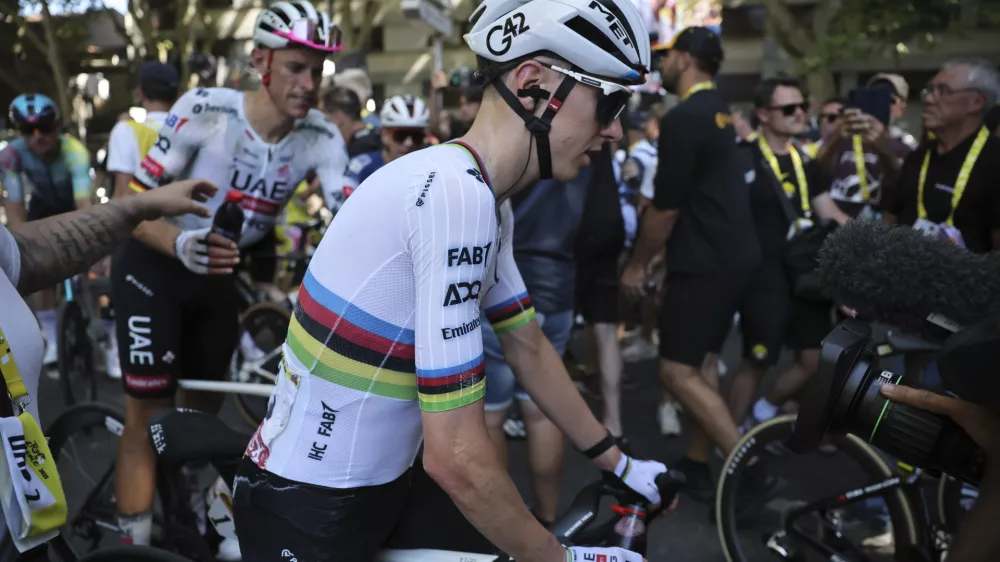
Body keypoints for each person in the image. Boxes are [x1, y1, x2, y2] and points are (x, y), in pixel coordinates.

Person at [232, 1, 668, 561]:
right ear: (533, 84)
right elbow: (456, 453)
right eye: (609, 102)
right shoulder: (454, 197)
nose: (614, 130)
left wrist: (622, 464)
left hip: (382, 487)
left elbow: (526, 344)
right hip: (313, 508)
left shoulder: (480, 194)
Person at [109, 0, 347, 548]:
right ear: (260, 60)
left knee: (201, 417)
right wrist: (179, 241)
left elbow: (354, 210)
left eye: (318, 69)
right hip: (153, 268)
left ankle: (197, 508)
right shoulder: (205, 110)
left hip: (217, 277)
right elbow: (129, 205)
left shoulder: (321, 136)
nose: (310, 83)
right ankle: (132, 546)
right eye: (296, 67)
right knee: (147, 412)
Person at [0, 178, 218, 552]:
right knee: (146, 416)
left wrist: (134, 207)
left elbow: (27, 251)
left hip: (22, 524)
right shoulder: (20, 159)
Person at [620, 26, 763, 501]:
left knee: (675, 371)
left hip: (706, 263)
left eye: (667, 56)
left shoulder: (685, 117)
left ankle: (750, 468)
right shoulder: (724, 113)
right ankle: (700, 463)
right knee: (702, 364)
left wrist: (639, 264)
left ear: (684, 60)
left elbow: (665, 207)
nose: (661, 64)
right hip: (735, 258)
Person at [725, 77, 850, 431]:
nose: (800, 114)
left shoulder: (808, 163)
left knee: (813, 361)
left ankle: (763, 412)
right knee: (756, 361)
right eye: (789, 108)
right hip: (763, 280)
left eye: (803, 106)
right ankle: (729, 442)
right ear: (763, 114)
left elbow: (830, 213)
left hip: (805, 279)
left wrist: (874, 240)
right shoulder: (740, 158)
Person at [102, 62, 182, 380]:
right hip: (182, 241)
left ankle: (116, 352)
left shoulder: (127, 131)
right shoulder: (191, 129)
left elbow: (123, 197)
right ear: (177, 93)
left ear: (140, 92)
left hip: (142, 245)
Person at [0, 93, 93, 366]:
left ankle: (108, 333)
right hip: (41, 206)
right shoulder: (12, 154)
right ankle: (52, 338)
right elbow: (15, 209)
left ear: (57, 127)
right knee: (38, 269)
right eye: (29, 130)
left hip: (72, 203)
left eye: (45, 128)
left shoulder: (74, 151)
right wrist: (27, 247)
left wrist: (89, 241)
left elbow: (84, 204)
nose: (38, 136)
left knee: (98, 263)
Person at [884, 58, 1000, 253]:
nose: (929, 99)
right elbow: (890, 222)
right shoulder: (917, 157)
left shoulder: (995, 160)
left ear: (977, 101)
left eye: (944, 91)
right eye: (929, 90)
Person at [816, 74, 913, 219]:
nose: (882, 103)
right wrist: (836, 139)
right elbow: (817, 173)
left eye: (890, 100)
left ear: (901, 109)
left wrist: (883, 148)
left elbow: (901, 187)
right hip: (834, 225)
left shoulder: (904, 146)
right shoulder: (842, 135)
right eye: (874, 96)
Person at [337, 94, 429, 203]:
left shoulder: (432, 170)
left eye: (417, 136)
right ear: (384, 135)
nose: (409, 143)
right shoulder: (360, 167)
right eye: (401, 135)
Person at [321, 85, 381, 158]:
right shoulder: (377, 139)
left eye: (326, 118)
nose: (323, 124)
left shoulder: (359, 151)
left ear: (339, 116)